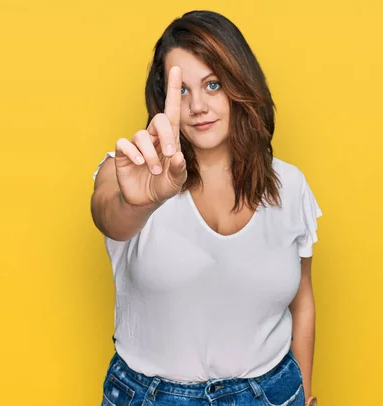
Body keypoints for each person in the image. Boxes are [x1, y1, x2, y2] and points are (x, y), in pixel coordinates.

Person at [91, 10, 322, 406]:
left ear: (239, 85)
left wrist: (304, 396)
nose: (197, 105)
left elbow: (301, 300)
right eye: (182, 90)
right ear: (163, 97)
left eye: (212, 84)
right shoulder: (130, 170)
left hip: (270, 394)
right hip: (153, 397)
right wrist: (142, 200)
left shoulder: (290, 185)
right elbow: (110, 217)